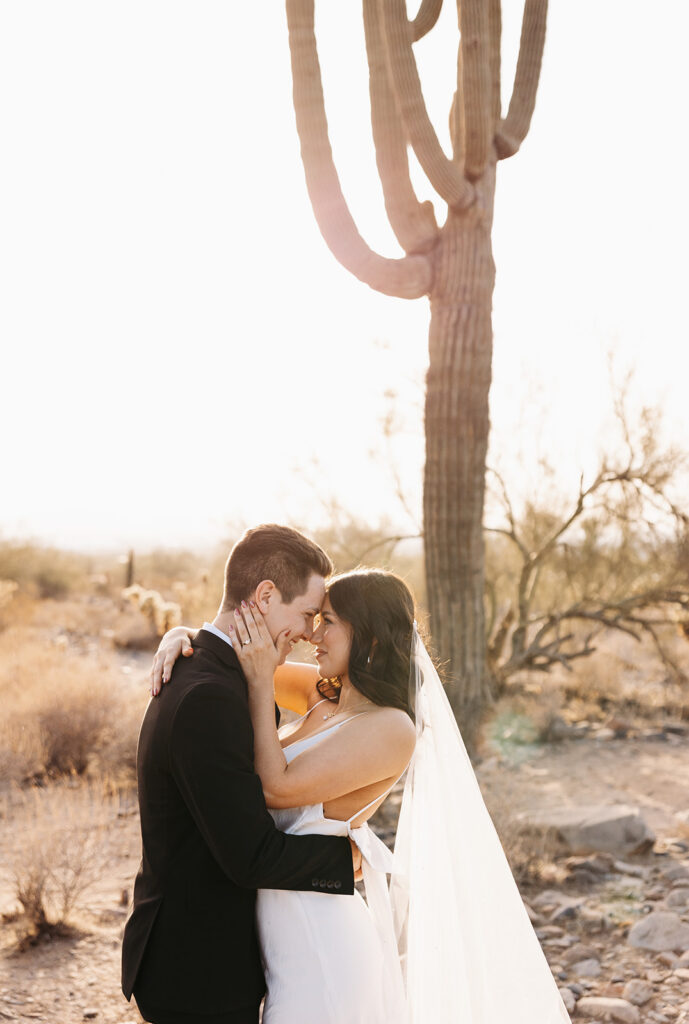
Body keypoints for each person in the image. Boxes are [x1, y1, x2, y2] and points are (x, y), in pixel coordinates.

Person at [155, 565, 572, 1023]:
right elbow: (231, 664)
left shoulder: (391, 728)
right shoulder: (324, 697)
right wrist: (183, 635)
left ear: (370, 638)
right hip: (280, 936)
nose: (313, 634)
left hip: (322, 941)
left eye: (328, 621)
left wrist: (258, 685)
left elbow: (276, 787)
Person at [121, 524, 362, 1024]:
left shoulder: (216, 670)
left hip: (198, 955)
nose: (309, 632)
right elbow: (250, 856)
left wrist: (181, 631)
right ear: (266, 595)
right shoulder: (209, 694)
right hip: (196, 970)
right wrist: (351, 858)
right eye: (305, 614)